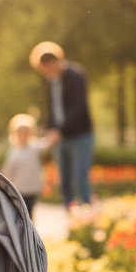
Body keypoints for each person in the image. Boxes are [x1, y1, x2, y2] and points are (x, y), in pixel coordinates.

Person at [30, 42, 95, 208]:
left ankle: (86, 216)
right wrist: (48, 127)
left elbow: (78, 107)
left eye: (47, 67)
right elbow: (52, 109)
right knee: (64, 181)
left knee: (80, 179)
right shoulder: (50, 82)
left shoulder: (76, 76)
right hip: (60, 137)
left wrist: (60, 130)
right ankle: (71, 215)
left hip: (80, 135)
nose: (46, 72)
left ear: (55, 61)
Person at [0, 112, 48, 217]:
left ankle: (29, 232)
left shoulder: (35, 147)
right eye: (21, 132)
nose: (23, 135)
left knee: (30, 213)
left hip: (32, 187)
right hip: (18, 188)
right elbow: (8, 169)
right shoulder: (14, 151)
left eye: (26, 132)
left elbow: (48, 143)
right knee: (19, 214)